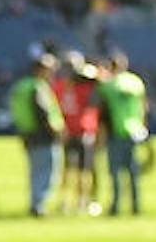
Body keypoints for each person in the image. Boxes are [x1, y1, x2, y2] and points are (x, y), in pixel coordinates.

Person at [7, 53, 66, 217]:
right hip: (43, 135)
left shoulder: (21, 86)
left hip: (27, 133)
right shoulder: (37, 87)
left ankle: (36, 202)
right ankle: (38, 205)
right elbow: (42, 112)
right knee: (45, 170)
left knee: (36, 170)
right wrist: (55, 129)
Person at [97, 51, 147, 216]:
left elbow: (104, 112)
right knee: (133, 171)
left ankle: (116, 206)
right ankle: (136, 206)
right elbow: (143, 106)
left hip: (116, 131)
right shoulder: (135, 82)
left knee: (115, 171)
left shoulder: (108, 86)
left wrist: (101, 135)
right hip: (134, 130)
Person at [51, 52, 101, 215]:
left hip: (70, 131)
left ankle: (66, 202)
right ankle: (80, 201)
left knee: (70, 170)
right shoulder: (86, 87)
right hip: (82, 131)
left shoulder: (58, 86)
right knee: (82, 170)